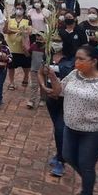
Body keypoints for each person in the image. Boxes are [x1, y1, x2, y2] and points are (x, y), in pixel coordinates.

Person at [48, 45, 98, 195]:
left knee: (86, 163)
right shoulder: (74, 74)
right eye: (76, 58)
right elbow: (58, 91)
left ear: (93, 61)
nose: (77, 62)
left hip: (93, 131)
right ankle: (88, 180)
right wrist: (52, 77)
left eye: (81, 59)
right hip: (70, 126)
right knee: (68, 156)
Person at [38, 44, 73, 178]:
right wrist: (43, 86)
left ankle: (61, 161)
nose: (55, 43)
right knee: (58, 128)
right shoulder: (48, 57)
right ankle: (60, 153)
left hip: (66, 99)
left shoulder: (72, 60)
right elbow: (40, 73)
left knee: (60, 129)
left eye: (58, 40)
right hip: (52, 99)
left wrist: (54, 82)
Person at [3, 1, 31, 90]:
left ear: (24, 10)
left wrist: (22, 32)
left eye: (21, 8)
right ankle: (11, 82)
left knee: (26, 65)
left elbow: (29, 32)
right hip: (11, 47)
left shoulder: (27, 20)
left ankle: (26, 77)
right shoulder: (10, 19)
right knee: (11, 66)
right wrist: (8, 26)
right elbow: (5, 31)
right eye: (17, 8)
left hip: (23, 47)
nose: (18, 10)